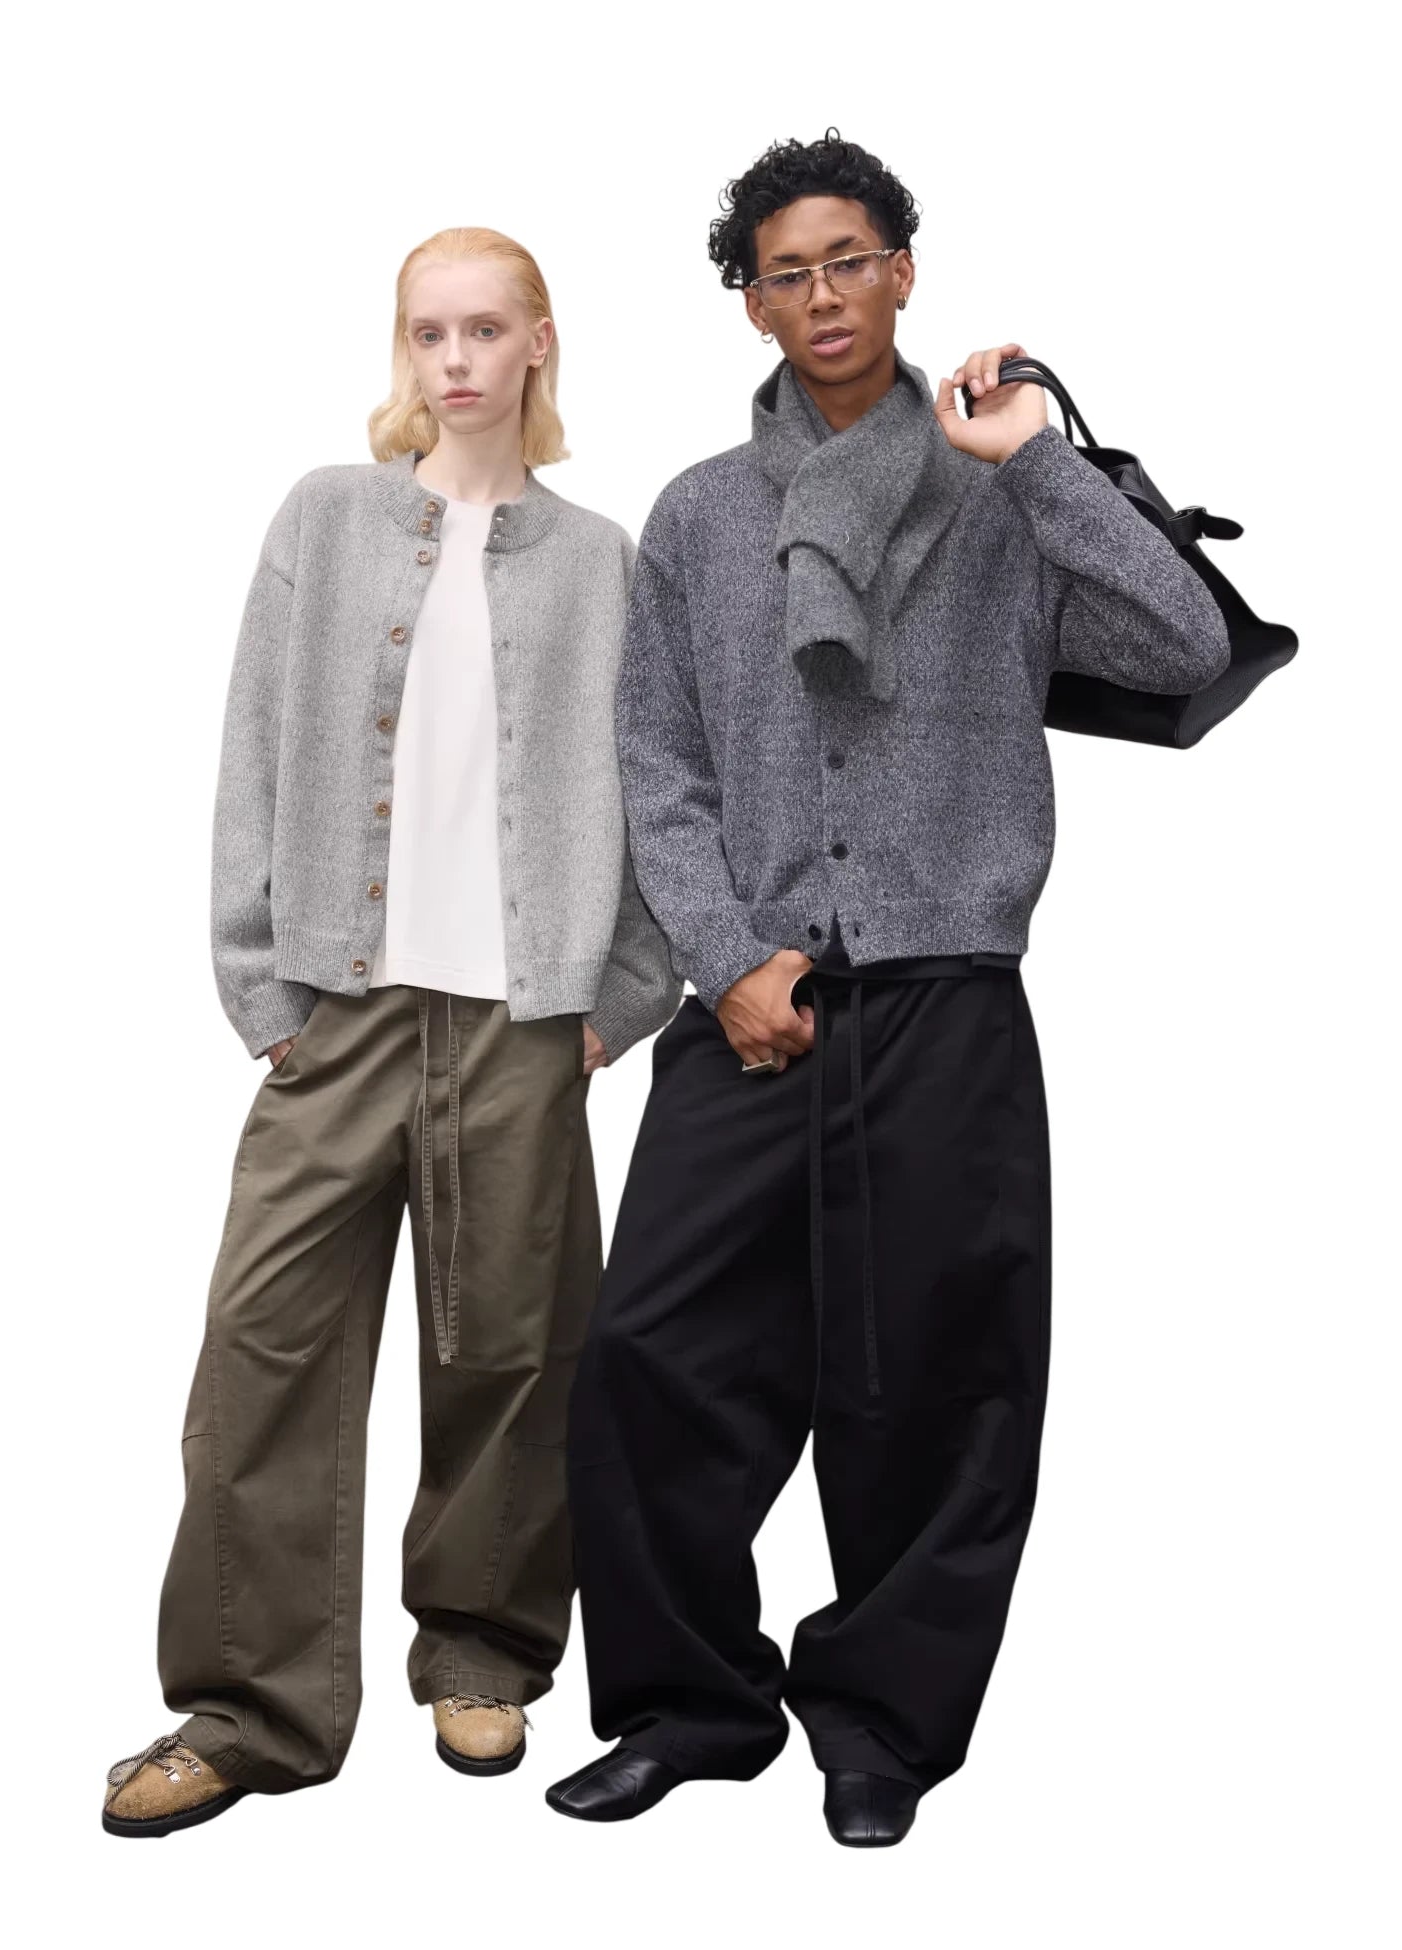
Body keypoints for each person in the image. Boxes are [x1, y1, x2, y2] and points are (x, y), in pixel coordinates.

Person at [547, 131, 1233, 1847]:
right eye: (786, 272)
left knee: (939, 1375)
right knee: (648, 1358)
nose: (824, 294)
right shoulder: (701, 516)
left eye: (849, 259)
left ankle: (882, 1726)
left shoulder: (998, 487)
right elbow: (660, 766)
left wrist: (1039, 461)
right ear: (751, 306)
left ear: (905, 271)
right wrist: (729, 961)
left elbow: (1186, 645)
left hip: (950, 997)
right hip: (753, 1004)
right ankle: (692, 1707)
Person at [102, 226, 680, 1837]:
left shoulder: (602, 561)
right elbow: (252, 744)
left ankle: (483, 1653)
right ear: (405, 349)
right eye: (430, 332)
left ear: (538, 340)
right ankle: (248, 1709)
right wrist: (259, 984)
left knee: (510, 1356)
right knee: (262, 1356)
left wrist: (619, 999)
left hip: (521, 1020)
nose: (456, 360)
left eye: (485, 329)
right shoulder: (328, 518)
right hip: (339, 1011)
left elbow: (656, 777)